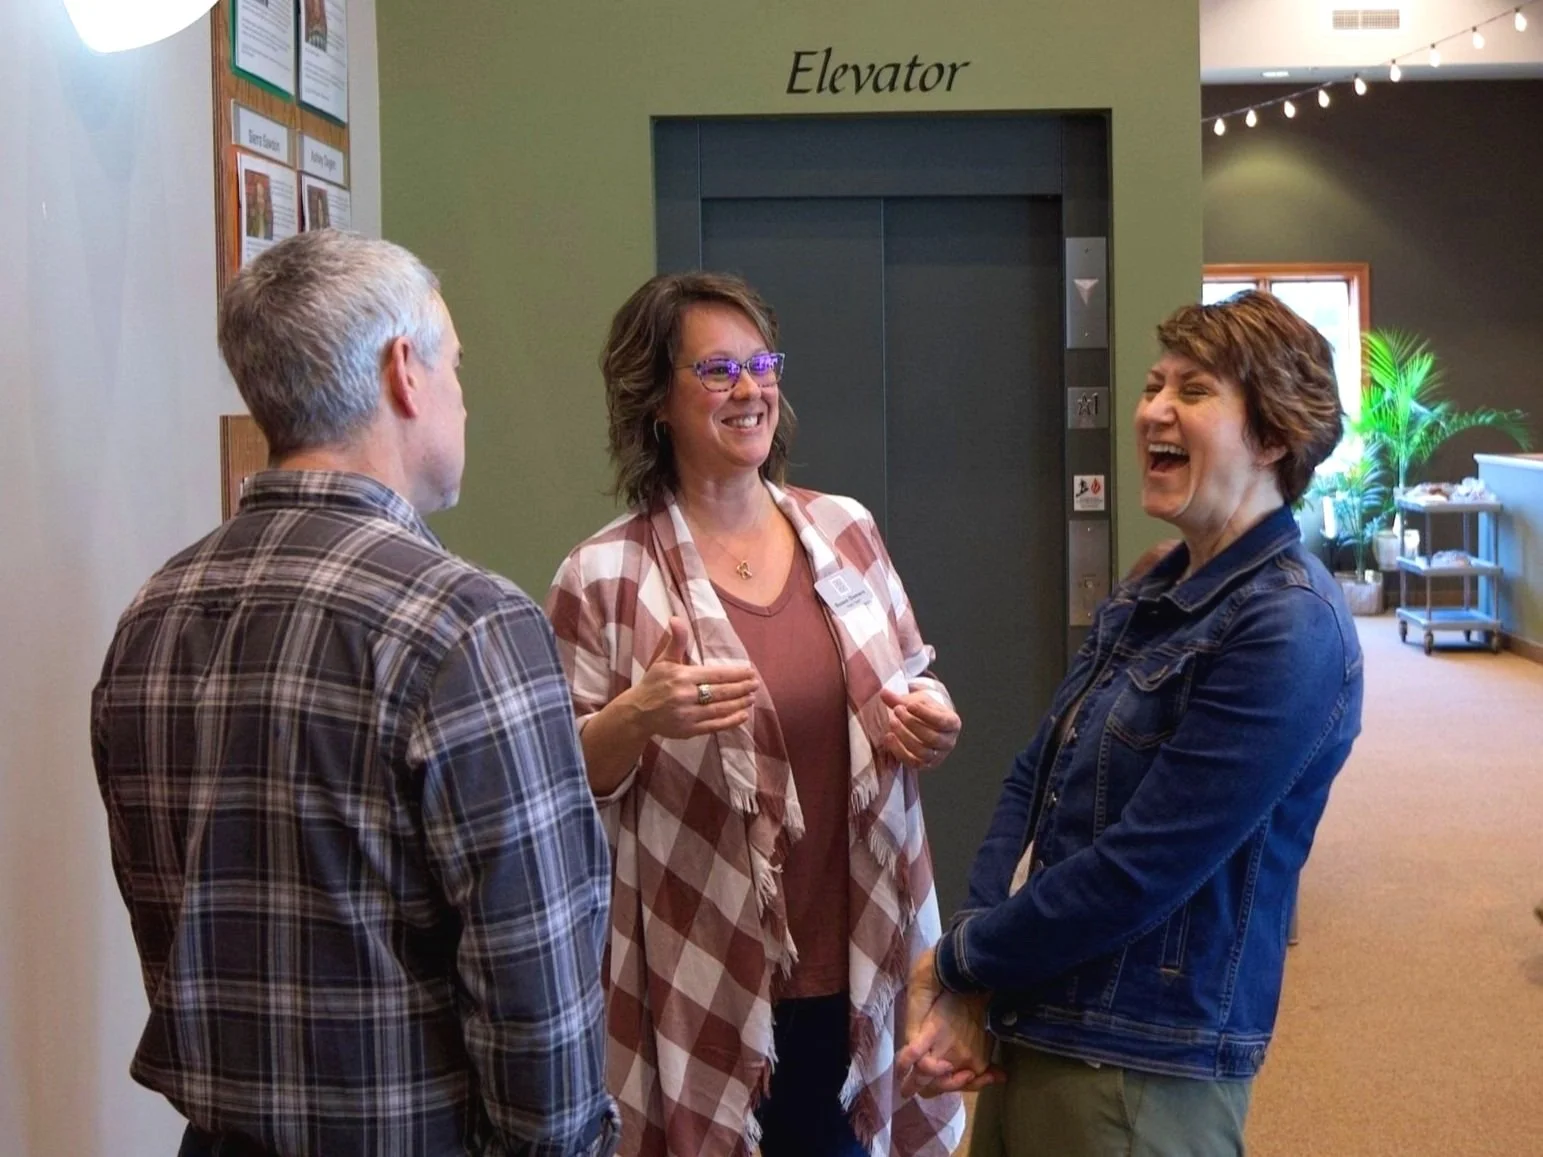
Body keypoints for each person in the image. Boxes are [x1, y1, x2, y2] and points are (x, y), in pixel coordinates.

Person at [91, 230, 618, 1157]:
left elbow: (170, 936)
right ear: (402, 371)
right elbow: (538, 995)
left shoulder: (151, 614)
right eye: (454, 362)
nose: (463, 393)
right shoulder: (468, 624)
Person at [897, 290, 1365, 1157]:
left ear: (1270, 436)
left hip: (1140, 1062)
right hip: (1035, 1018)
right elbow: (1032, 782)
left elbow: (1140, 869)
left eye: (1191, 390)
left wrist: (960, 959)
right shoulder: (1153, 587)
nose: (1151, 408)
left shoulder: (1289, 626)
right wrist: (972, 982)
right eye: (1153, 385)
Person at [545, 272, 966, 1157]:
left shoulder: (844, 530)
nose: (750, 389)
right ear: (656, 400)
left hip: (848, 953)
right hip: (700, 958)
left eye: (762, 363)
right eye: (717, 370)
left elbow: (912, 687)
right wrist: (640, 712)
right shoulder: (602, 575)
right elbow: (562, 777)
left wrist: (931, 719)